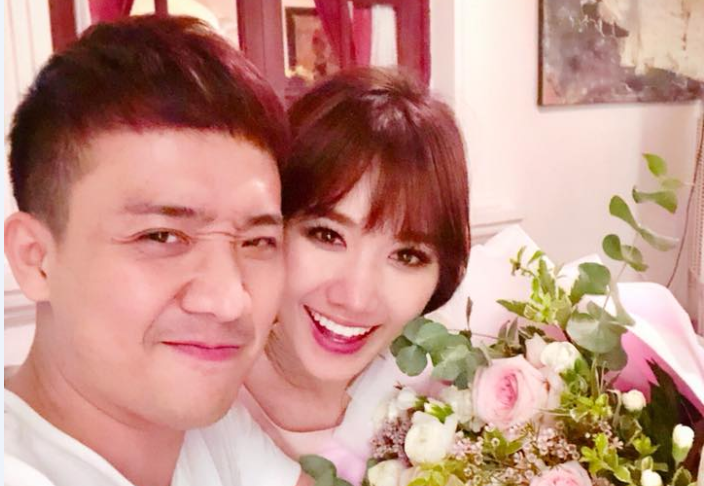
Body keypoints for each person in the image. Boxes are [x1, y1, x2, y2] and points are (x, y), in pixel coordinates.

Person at [4, 15, 301, 486]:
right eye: (161, 236)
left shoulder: (203, 424)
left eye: (257, 241)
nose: (230, 301)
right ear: (35, 258)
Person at [240, 67, 471, 483]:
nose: (356, 297)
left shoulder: (456, 401)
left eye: (407, 256)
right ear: (271, 229)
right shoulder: (194, 405)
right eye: (327, 235)